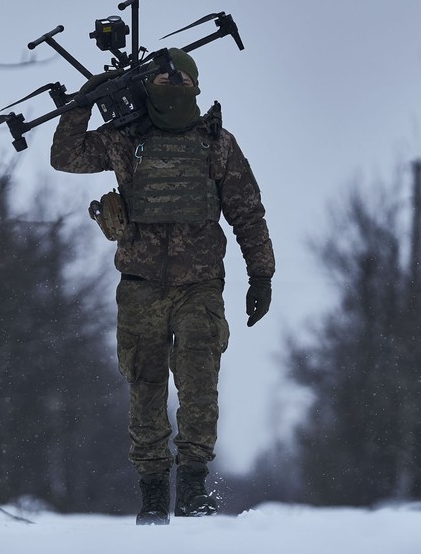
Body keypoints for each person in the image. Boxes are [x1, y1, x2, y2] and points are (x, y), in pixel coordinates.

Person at [50, 48, 274, 525]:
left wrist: (262, 275)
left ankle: (192, 487)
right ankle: (153, 494)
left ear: (195, 87)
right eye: (162, 82)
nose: (170, 91)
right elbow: (65, 157)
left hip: (199, 287)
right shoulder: (125, 138)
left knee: (198, 386)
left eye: (179, 83)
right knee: (145, 386)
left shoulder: (217, 143)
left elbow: (247, 211)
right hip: (141, 285)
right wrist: (81, 105)